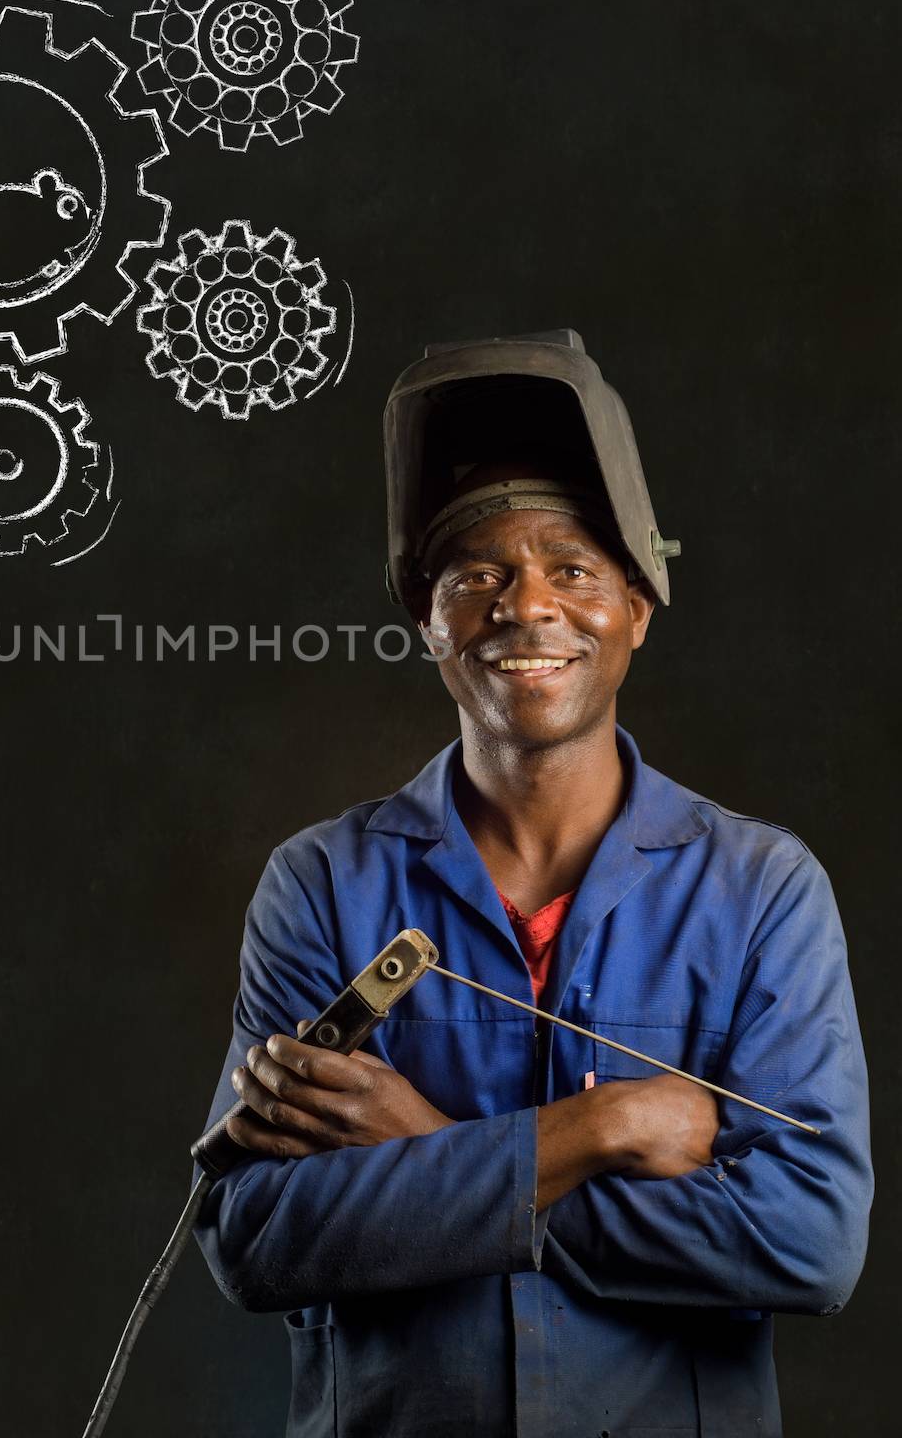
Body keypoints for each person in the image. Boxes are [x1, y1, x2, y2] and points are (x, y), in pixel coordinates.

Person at [192, 332, 872, 1438]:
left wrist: (422, 1146)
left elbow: (807, 1238)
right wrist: (598, 1129)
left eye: (572, 568)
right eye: (478, 575)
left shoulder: (760, 890)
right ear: (429, 620)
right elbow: (257, 1232)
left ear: (637, 607)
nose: (527, 605)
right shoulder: (322, 884)